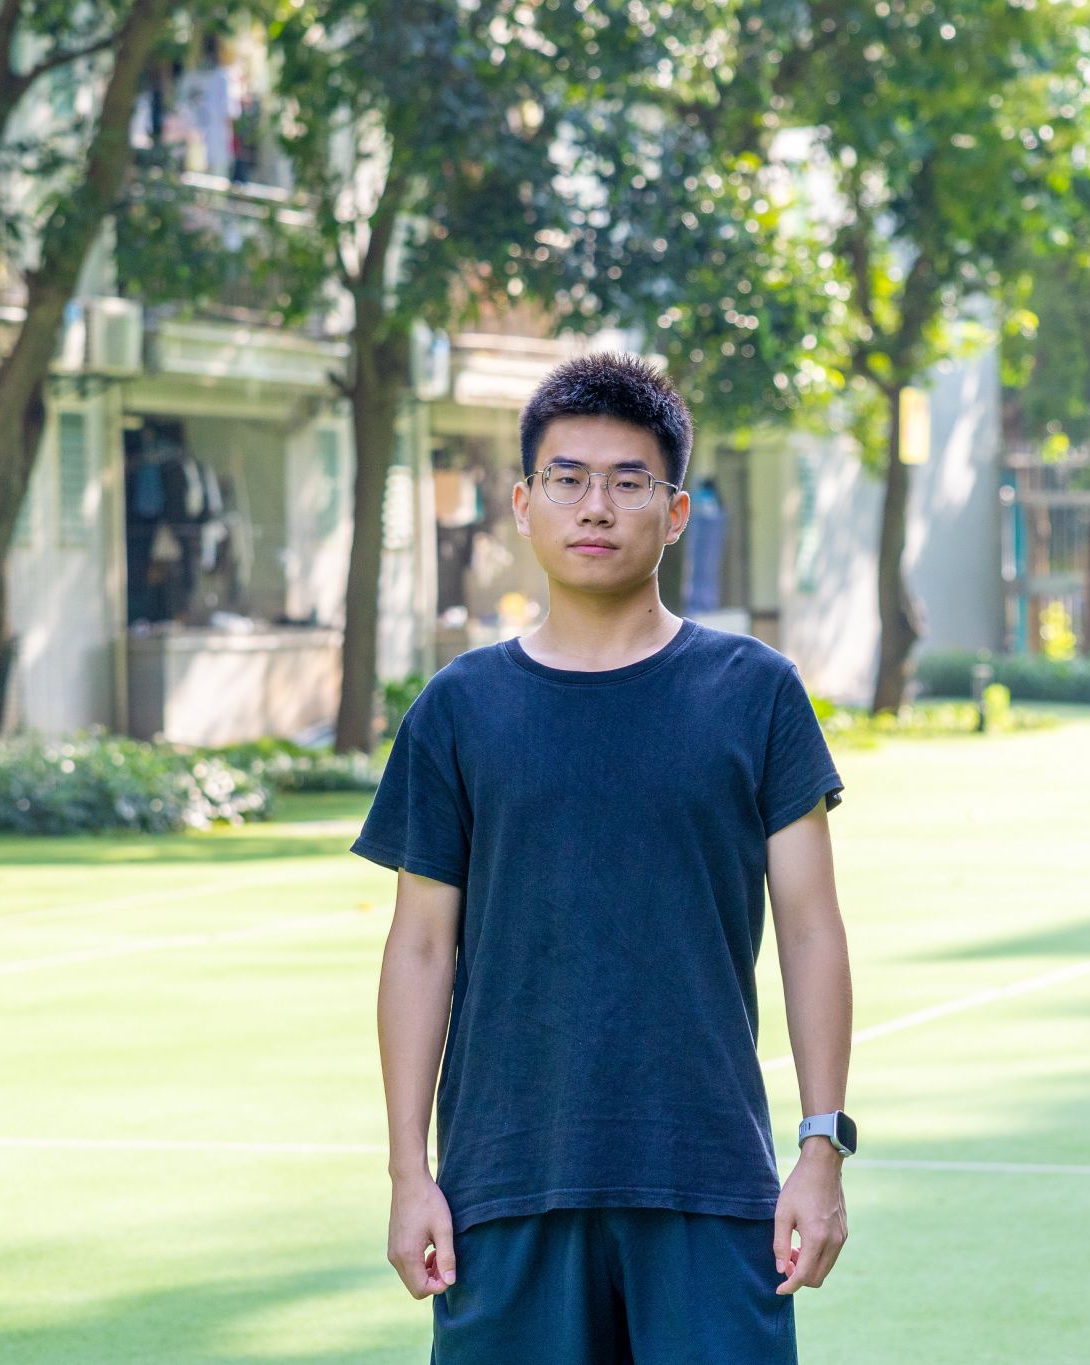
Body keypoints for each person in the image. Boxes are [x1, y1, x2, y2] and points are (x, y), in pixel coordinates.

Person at [355, 352, 855, 1362]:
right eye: (567, 478)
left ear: (674, 513)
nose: (596, 506)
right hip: (505, 1183)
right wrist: (410, 1173)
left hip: (709, 1178)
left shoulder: (755, 692)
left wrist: (821, 1146)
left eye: (629, 481)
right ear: (523, 504)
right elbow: (419, 949)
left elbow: (809, 929)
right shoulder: (457, 709)